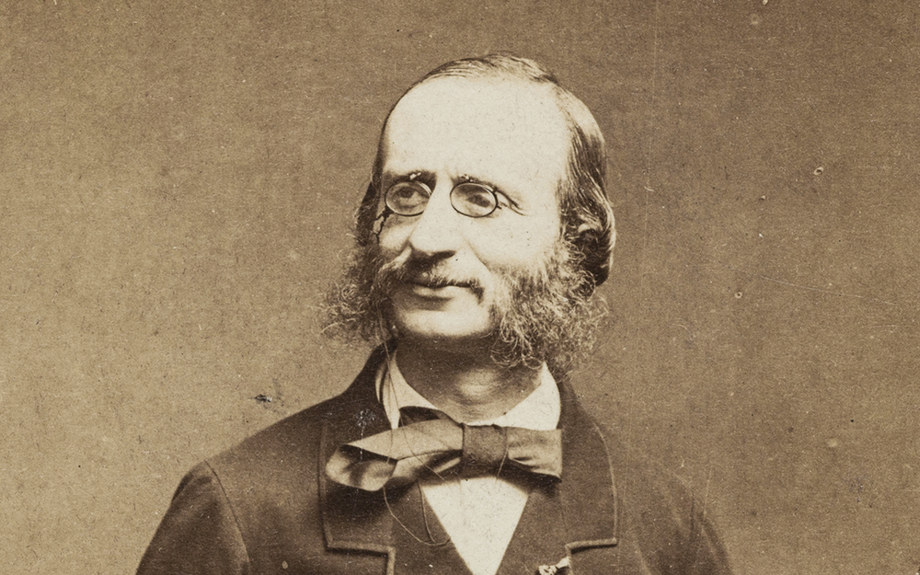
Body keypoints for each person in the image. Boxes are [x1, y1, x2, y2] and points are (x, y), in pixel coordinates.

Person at [137, 54, 732, 575]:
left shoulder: (668, 525)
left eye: (481, 199)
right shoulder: (239, 505)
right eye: (407, 195)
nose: (427, 238)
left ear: (576, 242)